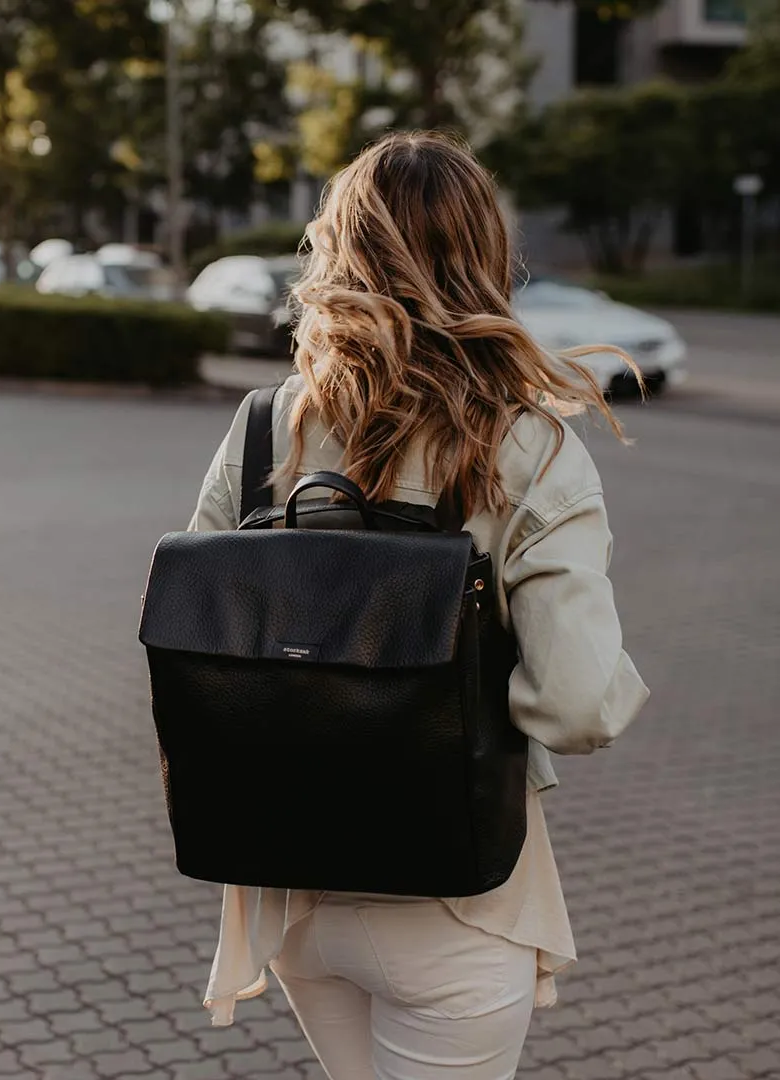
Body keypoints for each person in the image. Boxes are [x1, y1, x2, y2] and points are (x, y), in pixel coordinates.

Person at [187, 131, 649, 1080]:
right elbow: (578, 703)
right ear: (485, 259)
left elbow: (201, 635)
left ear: (338, 251)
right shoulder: (527, 447)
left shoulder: (270, 422)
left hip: (292, 891)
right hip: (454, 899)